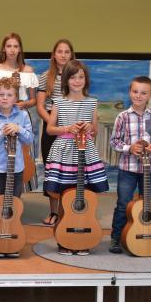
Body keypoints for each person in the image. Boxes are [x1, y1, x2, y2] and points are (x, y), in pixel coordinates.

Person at [42, 59, 109, 256]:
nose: (77, 81)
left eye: (81, 77)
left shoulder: (92, 102)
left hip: (84, 152)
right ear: (66, 80)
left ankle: (83, 237)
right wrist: (67, 128)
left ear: (86, 80)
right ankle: (64, 239)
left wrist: (90, 128)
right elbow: (50, 129)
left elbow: (95, 130)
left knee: (84, 195)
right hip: (63, 152)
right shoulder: (59, 102)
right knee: (65, 196)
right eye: (73, 77)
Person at [108, 76, 151, 254]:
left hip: (150, 169)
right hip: (128, 169)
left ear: (150, 95)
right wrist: (129, 148)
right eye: (135, 92)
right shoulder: (123, 117)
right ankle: (116, 238)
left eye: (143, 93)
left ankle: (150, 235)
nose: (139, 96)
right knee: (123, 204)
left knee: (149, 204)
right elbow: (114, 142)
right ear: (129, 92)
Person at [0, 76, 34, 257]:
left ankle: (12, 239)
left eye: (9, 94)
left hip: (16, 169)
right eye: (1, 95)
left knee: (13, 205)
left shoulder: (23, 115)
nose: (4, 98)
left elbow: (30, 139)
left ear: (15, 97)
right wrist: (1, 133)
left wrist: (19, 129)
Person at [36, 39, 75, 227]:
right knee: (53, 171)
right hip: (51, 126)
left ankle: (67, 212)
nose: (63, 55)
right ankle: (53, 212)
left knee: (69, 170)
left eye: (67, 52)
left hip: (73, 126)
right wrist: (52, 123)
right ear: (54, 54)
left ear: (71, 55)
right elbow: (40, 106)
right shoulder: (45, 76)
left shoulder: (76, 76)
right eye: (60, 51)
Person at [0, 33, 39, 115]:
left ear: (20, 49)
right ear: (4, 49)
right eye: (9, 46)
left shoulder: (28, 71)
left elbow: (33, 100)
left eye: (15, 46)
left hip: (21, 115)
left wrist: (24, 104)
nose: (12, 50)